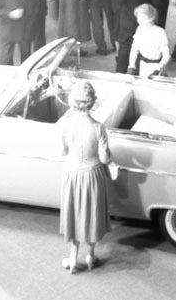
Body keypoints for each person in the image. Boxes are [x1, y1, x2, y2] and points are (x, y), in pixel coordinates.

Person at [59, 80, 115, 273]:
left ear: (72, 101)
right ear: (92, 102)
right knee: (93, 213)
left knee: (73, 213)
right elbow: (104, 158)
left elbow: (62, 151)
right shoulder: (99, 128)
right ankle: (91, 255)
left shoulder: (66, 125)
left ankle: (73, 259)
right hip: (93, 174)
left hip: (73, 174)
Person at [114, 0, 154, 74]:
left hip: (128, 19)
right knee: (142, 48)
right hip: (145, 19)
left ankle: (120, 72)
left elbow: (120, 0)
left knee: (125, 47)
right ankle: (138, 73)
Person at [127, 3, 171, 78]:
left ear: (151, 18)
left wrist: (159, 68)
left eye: (141, 19)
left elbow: (167, 55)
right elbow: (134, 49)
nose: (138, 21)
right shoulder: (139, 29)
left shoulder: (160, 32)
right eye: (138, 18)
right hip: (143, 65)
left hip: (157, 67)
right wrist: (131, 66)